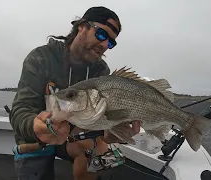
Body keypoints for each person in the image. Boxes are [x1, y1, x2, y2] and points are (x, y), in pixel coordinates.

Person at [9, 6, 141, 180]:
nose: (104, 45)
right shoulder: (41, 57)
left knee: (98, 148)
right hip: (38, 138)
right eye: (101, 34)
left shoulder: (100, 70)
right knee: (33, 161)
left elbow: (101, 121)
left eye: (111, 43)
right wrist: (35, 127)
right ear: (82, 26)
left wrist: (113, 132)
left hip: (76, 135)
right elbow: (21, 109)